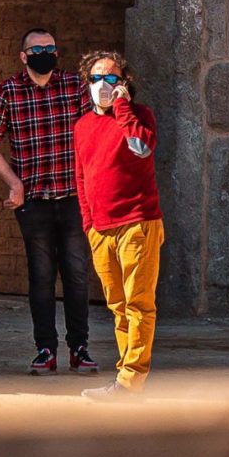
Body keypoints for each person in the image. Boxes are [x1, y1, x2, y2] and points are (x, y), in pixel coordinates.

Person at [0, 25, 95, 374]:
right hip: (34, 202)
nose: (45, 54)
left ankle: (79, 348)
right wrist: (14, 184)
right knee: (41, 277)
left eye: (50, 49)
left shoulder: (75, 86)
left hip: (73, 198)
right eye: (37, 50)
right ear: (23, 56)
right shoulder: (9, 91)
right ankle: (45, 349)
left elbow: (94, 134)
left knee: (77, 274)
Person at [74, 50, 161, 398]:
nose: (103, 85)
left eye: (111, 78)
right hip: (101, 229)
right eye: (96, 78)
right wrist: (89, 223)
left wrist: (123, 107)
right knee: (118, 306)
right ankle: (126, 376)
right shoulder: (82, 126)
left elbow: (141, 146)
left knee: (139, 304)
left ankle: (130, 380)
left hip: (137, 222)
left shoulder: (140, 116)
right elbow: (81, 177)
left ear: (124, 83)